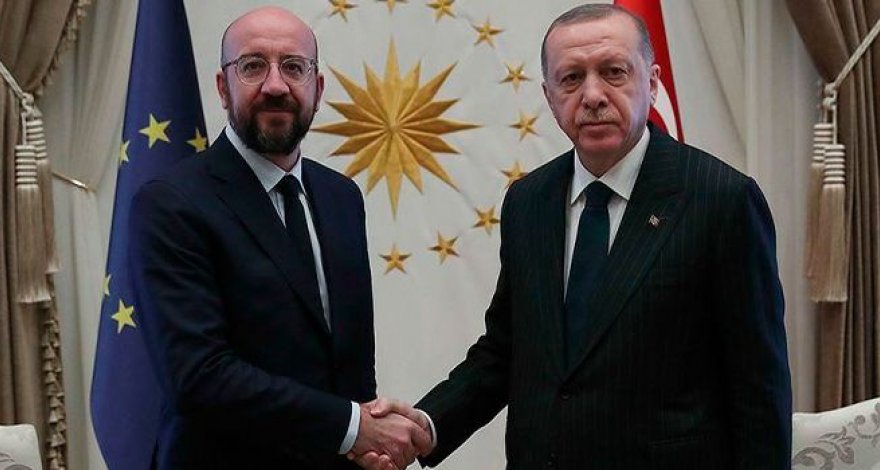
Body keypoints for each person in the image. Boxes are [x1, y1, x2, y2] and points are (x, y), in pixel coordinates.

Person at [358, 4, 792, 469]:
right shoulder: (529, 201)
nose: (593, 95)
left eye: (613, 72)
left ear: (652, 83)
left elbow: (758, 389)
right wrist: (427, 425)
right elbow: (506, 350)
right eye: (571, 79)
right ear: (549, 97)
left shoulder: (721, 199)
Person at [129, 7, 429, 469]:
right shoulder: (171, 204)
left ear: (318, 89)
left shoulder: (341, 197)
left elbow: (350, 362)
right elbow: (199, 376)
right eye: (253, 66)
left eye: (293, 67)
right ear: (223, 87)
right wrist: (354, 428)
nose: (275, 85)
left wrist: (366, 445)